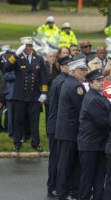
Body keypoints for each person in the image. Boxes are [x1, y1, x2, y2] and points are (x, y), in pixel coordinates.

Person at [5, 37, 48, 152]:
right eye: (26, 46)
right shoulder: (18, 58)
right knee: (18, 120)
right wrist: (15, 55)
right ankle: (17, 142)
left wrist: (44, 92)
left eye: (30, 46)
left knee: (34, 122)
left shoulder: (38, 58)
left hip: (34, 96)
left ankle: (35, 143)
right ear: (22, 47)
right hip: (20, 96)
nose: (28, 48)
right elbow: (6, 67)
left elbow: (43, 77)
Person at [55, 58, 88, 200]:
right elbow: (83, 109)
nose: (85, 73)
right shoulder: (77, 87)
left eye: (85, 70)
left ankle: (72, 191)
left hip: (66, 130)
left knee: (70, 163)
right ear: (73, 71)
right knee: (66, 164)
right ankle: (63, 193)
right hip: (70, 131)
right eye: (82, 71)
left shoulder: (68, 82)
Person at [78, 69, 111, 200]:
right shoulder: (93, 99)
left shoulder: (98, 95)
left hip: (97, 144)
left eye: (102, 79)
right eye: (98, 80)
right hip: (91, 146)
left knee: (99, 176)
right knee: (88, 178)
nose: (102, 82)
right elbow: (103, 122)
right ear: (90, 83)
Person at [46, 56, 72, 199]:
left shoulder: (60, 80)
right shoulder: (63, 82)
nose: (72, 68)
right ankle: (53, 186)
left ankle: (55, 186)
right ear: (62, 67)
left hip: (56, 124)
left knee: (57, 157)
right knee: (57, 158)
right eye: (69, 65)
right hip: (57, 126)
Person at [44, 50, 60, 125]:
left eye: (54, 56)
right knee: (48, 113)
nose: (52, 58)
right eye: (50, 56)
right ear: (47, 58)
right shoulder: (44, 66)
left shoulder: (58, 67)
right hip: (48, 94)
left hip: (56, 93)